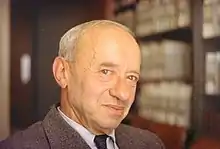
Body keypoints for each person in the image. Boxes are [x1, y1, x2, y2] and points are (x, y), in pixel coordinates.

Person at [0, 20, 165, 149]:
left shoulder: (150, 144)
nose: (123, 94)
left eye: (131, 77)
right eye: (105, 72)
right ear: (62, 73)